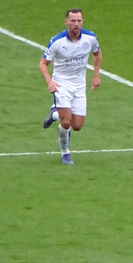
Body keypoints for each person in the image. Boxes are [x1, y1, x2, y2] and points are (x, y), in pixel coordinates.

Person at [39, 8, 102, 165]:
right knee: (66, 122)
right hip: (62, 84)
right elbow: (43, 64)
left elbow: (97, 53)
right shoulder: (57, 42)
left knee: (77, 126)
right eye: (73, 21)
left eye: (79, 21)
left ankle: (54, 113)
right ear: (66, 22)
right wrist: (50, 82)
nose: (76, 24)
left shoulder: (90, 38)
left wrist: (95, 75)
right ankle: (65, 153)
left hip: (79, 86)